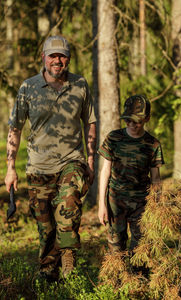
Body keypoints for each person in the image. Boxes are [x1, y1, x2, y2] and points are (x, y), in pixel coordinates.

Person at [5, 35, 96, 280]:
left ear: (68, 59)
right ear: (43, 57)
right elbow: (16, 128)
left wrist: (89, 161)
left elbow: (90, 122)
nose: (58, 60)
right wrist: (10, 168)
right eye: (53, 55)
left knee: (68, 209)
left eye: (62, 55)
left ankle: (69, 264)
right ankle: (48, 273)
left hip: (71, 162)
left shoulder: (80, 85)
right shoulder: (28, 87)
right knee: (45, 228)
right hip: (38, 168)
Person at [98, 95, 164, 253]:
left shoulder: (152, 144)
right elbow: (105, 171)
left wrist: (157, 206)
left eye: (137, 121)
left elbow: (156, 179)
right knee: (115, 250)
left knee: (141, 249)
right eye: (128, 120)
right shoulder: (114, 138)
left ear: (147, 118)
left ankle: (138, 277)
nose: (132, 125)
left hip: (141, 203)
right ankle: (116, 278)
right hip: (115, 201)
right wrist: (102, 204)